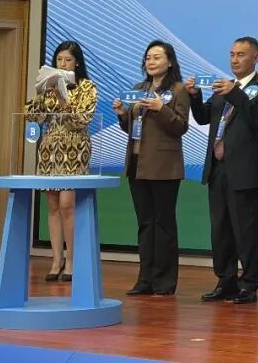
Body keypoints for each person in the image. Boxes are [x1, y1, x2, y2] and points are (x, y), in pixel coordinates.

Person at [187, 37, 258, 305]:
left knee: (246, 230)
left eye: (241, 55)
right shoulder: (223, 88)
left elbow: (257, 121)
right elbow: (203, 117)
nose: (235, 59)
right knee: (220, 229)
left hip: (243, 169)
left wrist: (235, 93)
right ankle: (226, 281)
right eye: (232, 54)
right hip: (217, 168)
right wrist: (194, 96)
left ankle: (249, 285)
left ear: (255, 58)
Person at [112, 40, 190, 296]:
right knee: (145, 223)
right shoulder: (139, 88)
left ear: (170, 62)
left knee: (163, 223)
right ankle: (145, 279)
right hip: (138, 163)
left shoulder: (178, 90)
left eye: (157, 57)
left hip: (164, 166)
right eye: (148, 57)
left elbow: (180, 126)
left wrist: (161, 109)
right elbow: (133, 128)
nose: (151, 61)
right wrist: (122, 114)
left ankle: (164, 281)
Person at [25, 40, 98, 282]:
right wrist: (40, 93)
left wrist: (63, 99)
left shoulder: (86, 87)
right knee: (53, 204)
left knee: (68, 204)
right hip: (50, 148)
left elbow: (82, 120)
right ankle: (56, 260)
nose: (63, 63)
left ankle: (72, 260)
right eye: (59, 59)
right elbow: (33, 117)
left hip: (74, 148)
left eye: (67, 60)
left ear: (77, 63)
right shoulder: (48, 86)